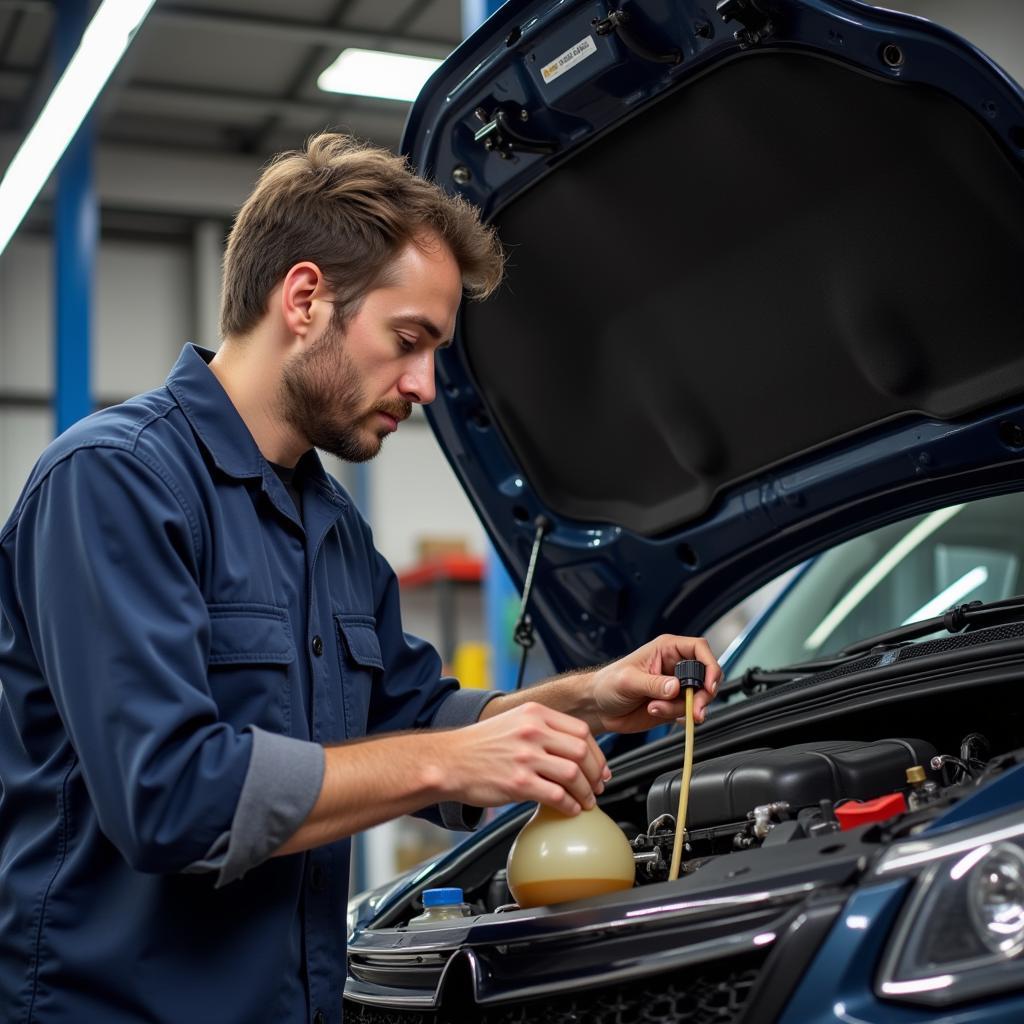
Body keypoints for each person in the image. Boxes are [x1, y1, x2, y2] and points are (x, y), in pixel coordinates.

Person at [0, 133, 720, 1024]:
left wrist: (586, 702)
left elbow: (410, 716)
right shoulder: (114, 481)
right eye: (408, 340)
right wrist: (445, 759)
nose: (422, 385)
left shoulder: (332, 528)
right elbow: (169, 798)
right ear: (304, 299)